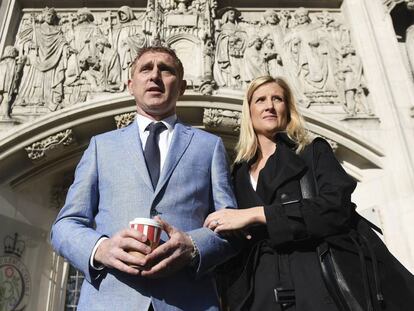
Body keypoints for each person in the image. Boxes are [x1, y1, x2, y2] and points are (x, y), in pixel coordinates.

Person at [204, 76, 414, 310]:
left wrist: (258, 214)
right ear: (249, 111)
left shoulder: (312, 153)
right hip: (259, 292)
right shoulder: (237, 174)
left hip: (316, 282)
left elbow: (336, 209)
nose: (270, 106)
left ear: (288, 108)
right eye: (260, 100)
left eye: (277, 99)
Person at [51, 46, 237, 311]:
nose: (155, 76)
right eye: (146, 68)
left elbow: (231, 227)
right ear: (130, 84)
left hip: (187, 301)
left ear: (182, 86)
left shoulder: (209, 147)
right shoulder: (101, 146)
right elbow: (64, 225)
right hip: (110, 300)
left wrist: (193, 246)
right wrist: (100, 249)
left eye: (166, 69)